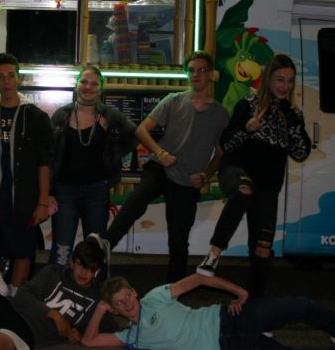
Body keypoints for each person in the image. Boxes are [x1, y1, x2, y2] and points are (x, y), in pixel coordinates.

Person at [82, 274, 335, 350]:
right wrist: (100, 308)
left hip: (226, 316)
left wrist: (240, 292)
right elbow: (89, 342)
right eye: (119, 303)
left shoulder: (156, 296)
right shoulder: (132, 337)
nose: (127, 303)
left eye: (127, 296)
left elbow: (199, 279)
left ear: (134, 291)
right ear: (116, 310)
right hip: (229, 346)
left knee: (300, 305)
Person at [101, 51, 229, 282]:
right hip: (160, 169)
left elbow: (220, 154)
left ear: (210, 74)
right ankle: (101, 250)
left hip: (188, 181)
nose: (196, 75)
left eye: (201, 70)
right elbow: (141, 130)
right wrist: (160, 152)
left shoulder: (221, 114)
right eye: (192, 70)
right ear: (187, 74)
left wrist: (206, 175)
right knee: (135, 201)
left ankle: (174, 295)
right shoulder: (173, 100)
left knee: (179, 241)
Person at [195, 53, 311, 297]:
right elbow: (226, 145)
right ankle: (214, 254)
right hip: (237, 172)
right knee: (243, 189)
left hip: (268, 185)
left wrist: (292, 123)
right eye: (280, 80)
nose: (285, 86)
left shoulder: (293, 115)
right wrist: (247, 129)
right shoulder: (247, 105)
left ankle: (254, 305)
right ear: (269, 79)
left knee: (263, 247)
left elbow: (301, 152)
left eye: (290, 81)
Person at [0, 53, 53, 296]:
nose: (6, 81)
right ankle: (2, 290)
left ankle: (13, 300)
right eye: (0, 77)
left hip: (25, 197)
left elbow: (44, 162)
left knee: (23, 252)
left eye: (10, 76)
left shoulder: (36, 116)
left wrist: (43, 202)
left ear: (19, 79)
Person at [48, 64, 136, 267]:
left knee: (95, 247)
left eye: (94, 83)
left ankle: (97, 292)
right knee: (62, 248)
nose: (88, 87)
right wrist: (49, 192)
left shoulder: (110, 116)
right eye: (84, 81)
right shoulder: (61, 116)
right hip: (64, 190)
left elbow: (133, 136)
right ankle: (55, 290)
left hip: (97, 189)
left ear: (101, 89)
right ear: (76, 84)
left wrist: (113, 151)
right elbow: (48, 157)